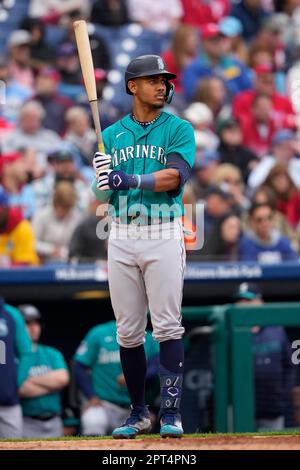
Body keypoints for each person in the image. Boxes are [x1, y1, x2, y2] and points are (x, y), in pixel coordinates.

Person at [91, 54, 196, 438]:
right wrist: (102, 176)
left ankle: (170, 413)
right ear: (132, 86)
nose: (162, 86)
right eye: (153, 79)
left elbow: (174, 176)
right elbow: (102, 191)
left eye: (165, 80)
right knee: (128, 331)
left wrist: (129, 178)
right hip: (119, 233)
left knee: (167, 326)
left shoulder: (179, 128)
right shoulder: (112, 134)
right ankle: (138, 414)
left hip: (162, 232)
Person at [73, 320, 159, 436]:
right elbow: (79, 366)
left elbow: (156, 368)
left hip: (134, 406)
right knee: (93, 421)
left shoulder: (149, 337)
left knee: (147, 428)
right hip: (104, 403)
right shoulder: (99, 332)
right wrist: (91, 396)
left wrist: (134, 376)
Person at [233, 282, 295, 431]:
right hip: (239, 409)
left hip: (272, 407)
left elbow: (289, 366)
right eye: (239, 300)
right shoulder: (230, 332)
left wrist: (283, 395)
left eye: (248, 300)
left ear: (260, 302)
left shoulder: (276, 329)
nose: (243, 304)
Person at [17, 304, 69, 438]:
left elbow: (62, 379)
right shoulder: (12, 356)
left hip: (54, 421)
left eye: (36, 323)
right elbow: (20, 389)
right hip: (25, 422)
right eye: (27, 323)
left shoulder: (51, 353)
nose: (33, 328)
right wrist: (51, 385)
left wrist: (28, 381)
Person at [0, 298, 32, 438]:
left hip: (8, 399)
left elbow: (26, 352)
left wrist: (15, 383)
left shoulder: (10, 313)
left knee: (15, 445)